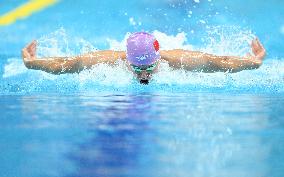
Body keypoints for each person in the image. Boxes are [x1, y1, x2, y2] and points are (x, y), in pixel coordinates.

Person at [22, 32, 266, 84]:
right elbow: (67, 64)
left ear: (158, 58)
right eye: (137, 68)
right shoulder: (106, 61)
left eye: (149, 67)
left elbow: (221, 62)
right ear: (126, 60)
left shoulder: (179, 60)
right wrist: (33, 64)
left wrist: (253, 63)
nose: (144, 75)